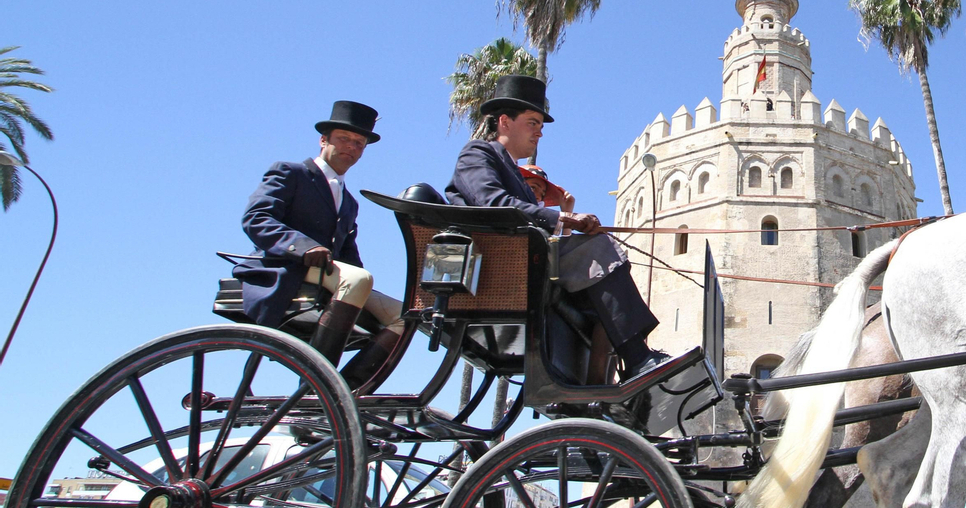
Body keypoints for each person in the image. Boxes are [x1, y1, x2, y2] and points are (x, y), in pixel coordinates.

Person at [446, 75, 678, 381]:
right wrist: (564, 219)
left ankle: (601, 386)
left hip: (529, 256)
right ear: (505, 121)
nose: (539, 133)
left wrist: (570, 222)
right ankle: (636, 358)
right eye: (532, 123)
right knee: (599, 250)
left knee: (604, 287)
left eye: (540, 126)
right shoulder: (478, 153)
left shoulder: (516, 176)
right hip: (499, 260)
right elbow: (492, 203)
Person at [235, 101, 406, 387]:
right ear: (323, 139)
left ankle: (346, 391)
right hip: (284, 267)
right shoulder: (290, 173)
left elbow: (350, 258)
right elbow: (256, 218)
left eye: (359, 143)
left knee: (405, 317)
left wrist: (366, 291)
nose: (352, 147)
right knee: (357, 280)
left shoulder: (349, 202)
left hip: (333, 278)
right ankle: (316, 386)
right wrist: (302, 247)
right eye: (344, 139)